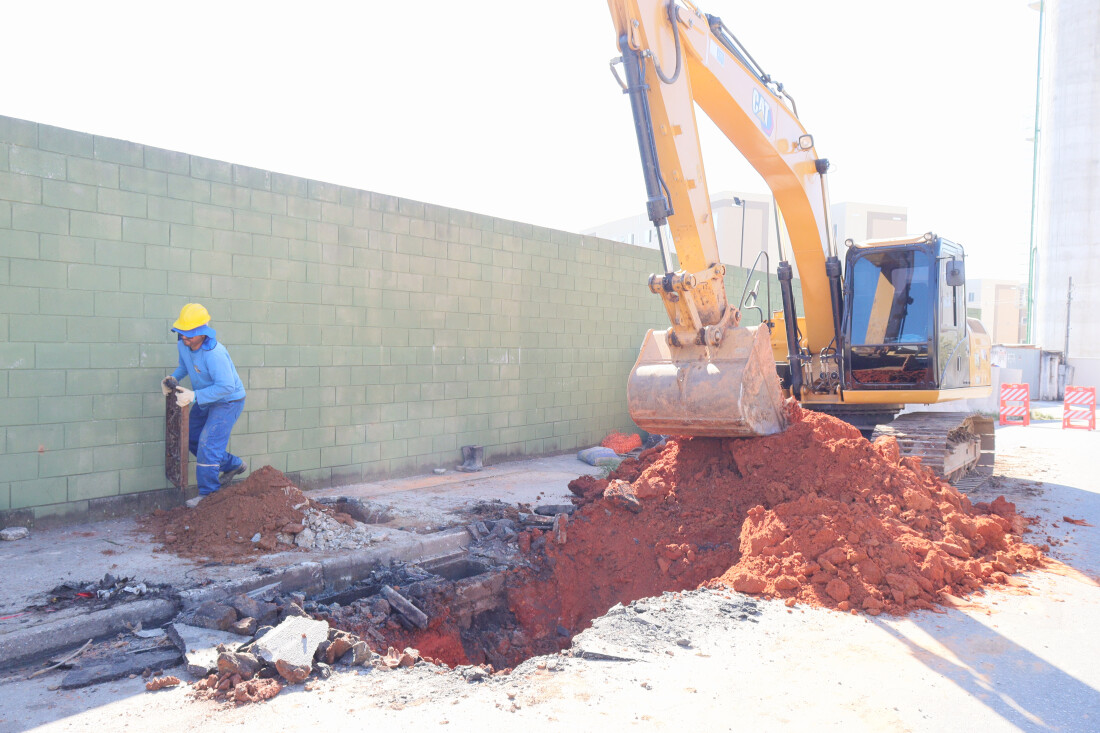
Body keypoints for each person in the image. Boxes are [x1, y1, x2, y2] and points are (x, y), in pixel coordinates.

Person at [161, 303, 247, 508]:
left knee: (207, 444)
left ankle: (208, 496)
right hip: (204, 397)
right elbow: (185, 366)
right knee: (190, 437)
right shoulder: (184, 345)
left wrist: (194, 395)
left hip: (227, 401)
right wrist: (174, 378)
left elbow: (226, 387)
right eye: (182, 333)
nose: (184, 338)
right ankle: (234, 464)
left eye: (189, 334)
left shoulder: (215, 354)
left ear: (203, 333)